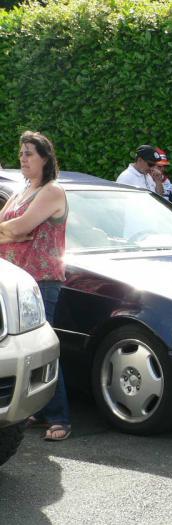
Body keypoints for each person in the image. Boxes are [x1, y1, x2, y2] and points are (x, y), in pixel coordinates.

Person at [0, 131, 71, 441]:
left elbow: (21, 226)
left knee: (41, 350)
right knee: (23, 349)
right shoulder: (23, 190)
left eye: (29, 153)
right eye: (21, 153)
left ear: (45, 158)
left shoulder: (52, 191)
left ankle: (60, 417)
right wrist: (10, 232)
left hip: (41, 281)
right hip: (15, 282)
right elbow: (8, 225)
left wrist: (14, 231)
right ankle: (37, 409)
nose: (23, 158)